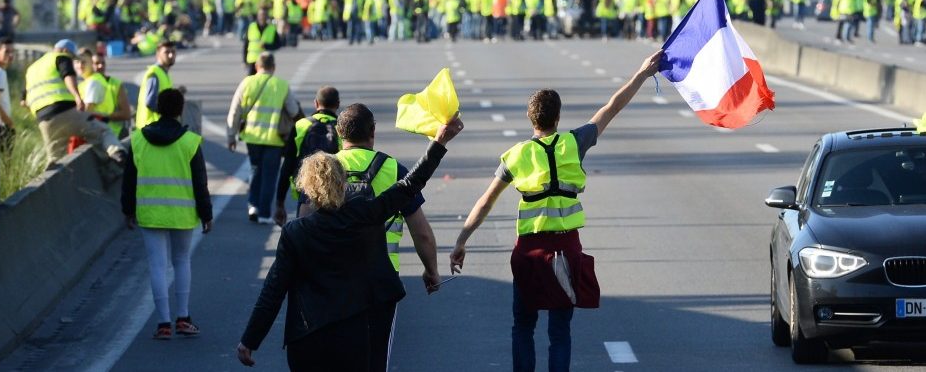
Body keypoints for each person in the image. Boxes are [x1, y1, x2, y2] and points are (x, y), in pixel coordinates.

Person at [450, 50, 664, 372]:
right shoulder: (574, 143)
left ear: (530, 117)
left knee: (523, 326)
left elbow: (485, 202)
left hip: (529, 252)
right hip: (566, 250)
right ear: (558, 117)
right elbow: (612, 107)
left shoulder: (516, 155)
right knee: (559, 332)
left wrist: (461, 241)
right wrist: (642, 73)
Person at [236, 116, 464, 371]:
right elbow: (410, 184)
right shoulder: (363, 214)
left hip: (306, 335)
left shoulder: (295, 232)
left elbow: (273, 290)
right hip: (352, 333)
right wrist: (439, 141)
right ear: (342, 184)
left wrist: (250, 339)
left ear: (308, 190)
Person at [330, 103, 442, 362]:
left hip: (333, 276)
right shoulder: (393, 170)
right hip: (380, 278)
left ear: (339, 133)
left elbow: (304, 221)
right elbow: (421, 232)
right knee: (375, 355)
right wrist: (431, 270)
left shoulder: (324, 169)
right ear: (373, 132)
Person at [121, 88, 212, 340]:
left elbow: (128, 180)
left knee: (157, 266)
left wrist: (127, 210)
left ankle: (163, 323)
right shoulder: (190, 141)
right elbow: (200, 183)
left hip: (150, 213)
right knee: (181, 261)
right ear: (180, 109)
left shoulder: (138, 139)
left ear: (157, 109)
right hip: (182, 214)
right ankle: (183, 318)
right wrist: (206, 214)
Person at [227, 52, 302, 224]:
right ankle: (264, 213)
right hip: (274, 138)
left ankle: (253, 204)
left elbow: (234, 111)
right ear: (273, 67)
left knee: (255, 170)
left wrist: (231, 135)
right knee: (270, 175)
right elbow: (293, 110)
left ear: (256, 66)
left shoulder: (247, 82)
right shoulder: (281, 85)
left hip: (252, 137)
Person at [25, 39, 125, 165]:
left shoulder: (31, 70)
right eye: (73, 58)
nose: (73, 62)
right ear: (65, 51)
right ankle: (118, 153)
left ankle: (53, 175)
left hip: (43, 120)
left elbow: (24, 100)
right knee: (103, 131)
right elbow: (68, 76)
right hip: (65, 110)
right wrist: (77, 97)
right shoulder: (61, 57)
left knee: (56, 159)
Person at [276, 86, 342, 224]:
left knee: (304, 236)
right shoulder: (341, 128)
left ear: (316, 103)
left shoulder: (301, 125)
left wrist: (280, 203)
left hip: (307, 191)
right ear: (338, 104)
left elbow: (287, 165)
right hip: (335, 195)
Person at [76, 49, 132, 138]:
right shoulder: (83, 84)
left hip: (114, 135)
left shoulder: (115, 83)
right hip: (96, 133)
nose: (100, 66)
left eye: (103, 63)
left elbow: (126, 114)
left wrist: (103, 116)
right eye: (96, 63)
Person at [135, 41, 184, 129]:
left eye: (173, 52)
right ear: (158, 54)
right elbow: (150, 102)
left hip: (156, 128)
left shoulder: (163, 73)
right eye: (167, 52)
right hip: (151, 128)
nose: (171, 55)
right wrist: (168, 115)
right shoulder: (154, 73)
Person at [0, 38, 15, 147]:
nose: (10, 55)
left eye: (12, 52)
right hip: (2, 127)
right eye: (7, 51)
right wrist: (9, 123)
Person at [245, 9, 278, 76]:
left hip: (265, 62)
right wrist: (244, 60)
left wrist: (266, 46)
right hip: (252, 60)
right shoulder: (251, 27)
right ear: (258, 16)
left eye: (264, 15)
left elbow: (278, 44)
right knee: (251, 82)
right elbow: (246, 44)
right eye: (261, 15)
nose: (262, 17)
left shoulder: (271, 28)